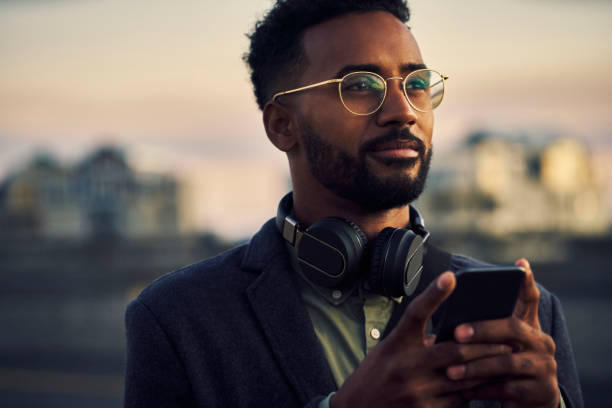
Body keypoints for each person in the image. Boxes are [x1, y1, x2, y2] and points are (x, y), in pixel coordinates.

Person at [124, 1, 583, 407]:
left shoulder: (530, 315)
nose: (403, 110)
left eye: (417, 83)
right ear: (283, 125)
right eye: (361, 85)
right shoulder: (175, 318)